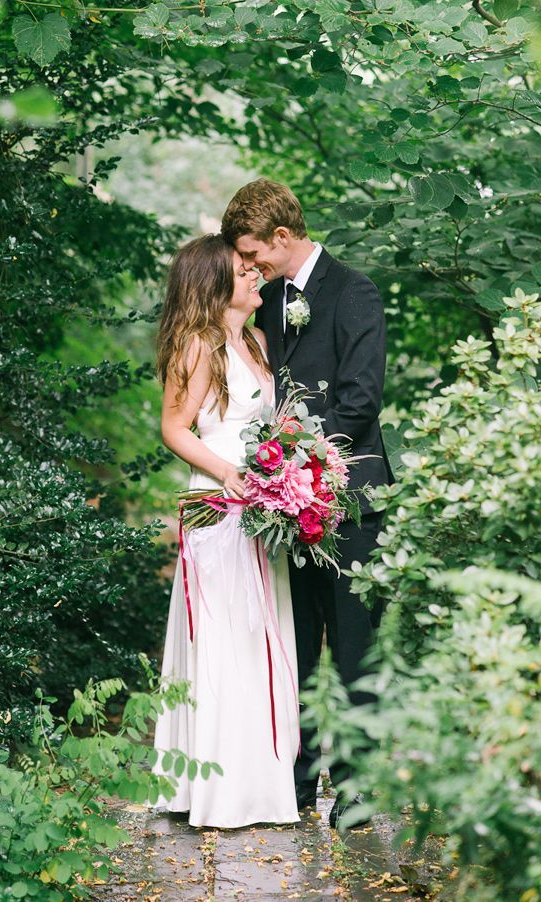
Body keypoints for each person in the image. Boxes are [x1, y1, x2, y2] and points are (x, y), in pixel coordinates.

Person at [221, 178, 394, 828]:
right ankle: (293, 785)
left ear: (283, 238)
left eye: (254, 253)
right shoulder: (266, 303)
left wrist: (303, 464)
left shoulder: (355, 292)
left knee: (353, 651)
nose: (250, 266)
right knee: (294, 647)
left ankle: (358, 792)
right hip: (284, 508)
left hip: (349, 503)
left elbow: (360, 398)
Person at [153, 234, 300, 829]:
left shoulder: (259, 343)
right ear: (215, 284)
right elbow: (175, 427)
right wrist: (227, 473)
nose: (255, 276)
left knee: (263, 636)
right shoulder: (198, 346)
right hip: (218, 506)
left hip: (264, 511)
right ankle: (217, 790)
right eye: (243, 271)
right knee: (223, 641)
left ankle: (261, 786)